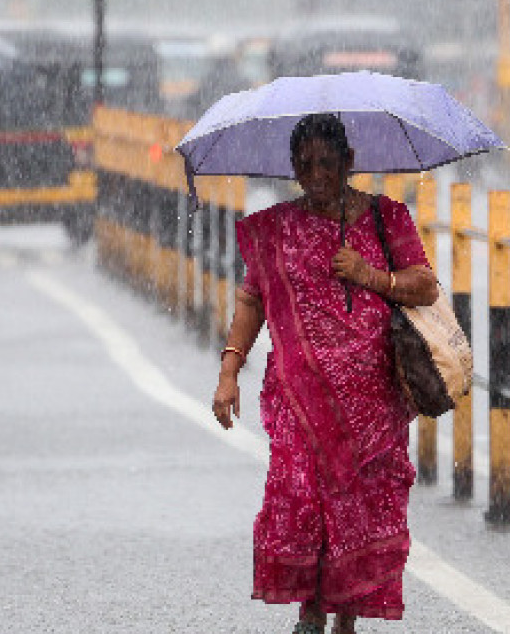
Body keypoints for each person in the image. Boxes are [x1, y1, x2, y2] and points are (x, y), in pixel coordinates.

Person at [212, 113, 439, 634]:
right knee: (304, 502)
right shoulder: (278, 228)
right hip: (299, 398)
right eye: (305, 165)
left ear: (349, 163)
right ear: (292, 166)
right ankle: (312, 612)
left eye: (327, 164)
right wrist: (229, 372)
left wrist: (369, 274)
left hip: (374, 402)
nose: (315, 175)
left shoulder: (388, 218)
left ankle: (347, 620)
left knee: (358, 510)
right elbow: (252, 300)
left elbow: (425, 285)